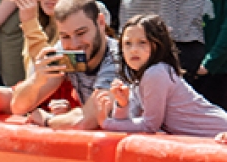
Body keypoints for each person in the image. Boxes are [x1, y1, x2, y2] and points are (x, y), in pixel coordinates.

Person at [97, 14, 227, 135]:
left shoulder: (155, 73)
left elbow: (149, 125)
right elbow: (128, 123)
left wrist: (107, 124)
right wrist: (122, 104)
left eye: (142, 42)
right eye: (127, 43)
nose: (133, 49)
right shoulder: (139, 79)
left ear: (157, 46)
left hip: (219, 134)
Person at [6, 0, 118, 129]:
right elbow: (18, 107)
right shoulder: (66, 50)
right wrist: (37, 80)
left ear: (101, 22)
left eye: (81, 33)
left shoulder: (117, 57)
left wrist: (48, 120)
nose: (74, 44)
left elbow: (86, 121)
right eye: (65, 36)